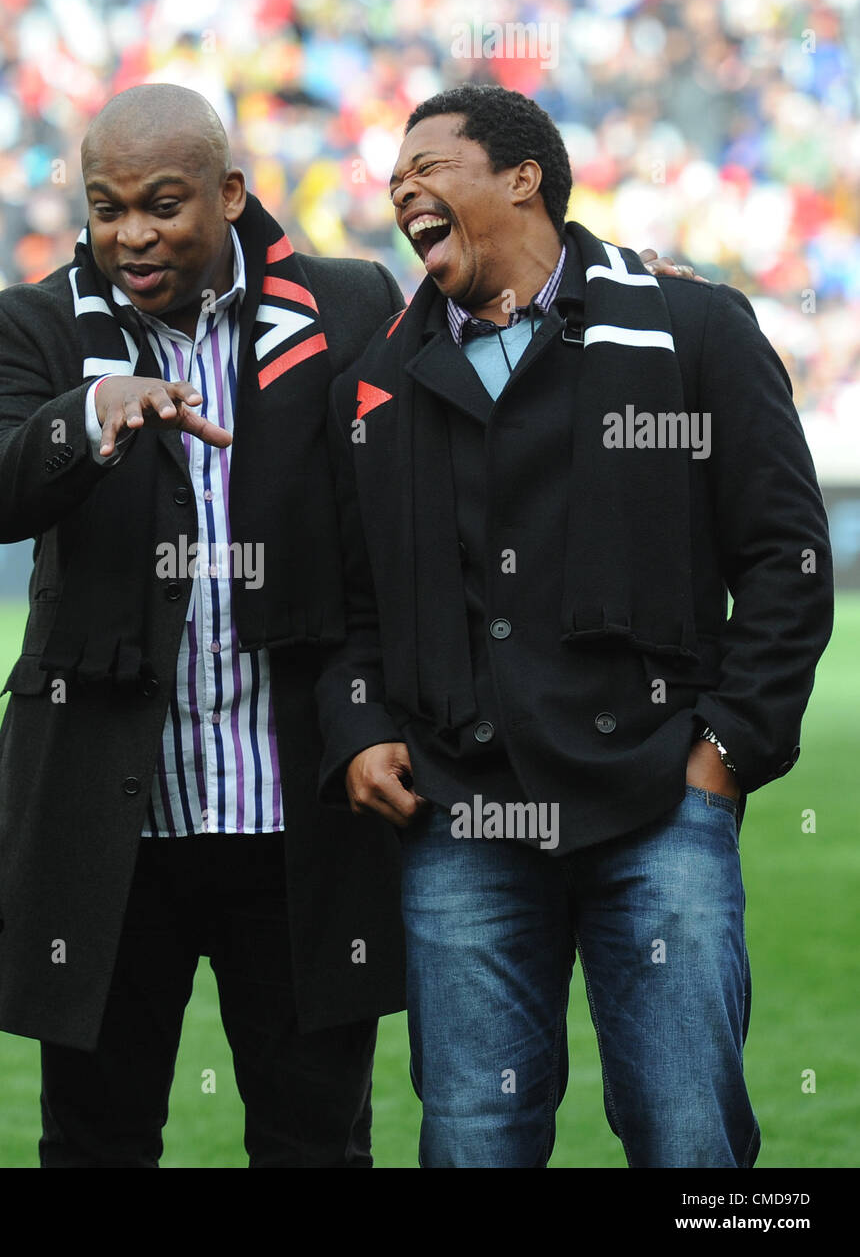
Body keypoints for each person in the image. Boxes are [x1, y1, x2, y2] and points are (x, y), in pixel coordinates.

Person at [319, 84, 834, 1168]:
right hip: (461, 817)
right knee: (473, 1140)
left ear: (524, 178)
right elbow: (352, 604)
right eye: (392, 180)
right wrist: (360, 723)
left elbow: (784, 559)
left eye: (430, 167)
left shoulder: (694, 327)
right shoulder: (374, 380)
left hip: (659, 804)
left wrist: (725, 756)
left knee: (686, 1135)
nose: (402, 189)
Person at [0, 83, 410, 1168]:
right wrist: (85, 416)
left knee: (316, 1143)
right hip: (108, 830)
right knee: (95, 1142)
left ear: (230, 193)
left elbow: (387, 540)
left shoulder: (347, 304)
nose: (131, 234)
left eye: (163, 203)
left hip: (297, 811)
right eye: (106, 208)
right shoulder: (27, 324)